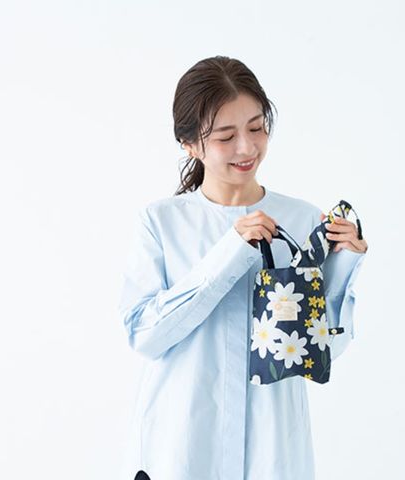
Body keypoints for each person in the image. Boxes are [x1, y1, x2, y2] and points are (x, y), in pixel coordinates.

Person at [118, 55, 368, 480]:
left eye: (256, 128)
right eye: (226, 136)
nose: (247, 148)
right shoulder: (161, 222)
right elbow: (145, 335)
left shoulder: (302, 221)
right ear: (189, 144)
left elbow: (323, 351)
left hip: (272, 453)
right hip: (183, 449)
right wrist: (230, 252)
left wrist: (344, 264)